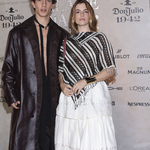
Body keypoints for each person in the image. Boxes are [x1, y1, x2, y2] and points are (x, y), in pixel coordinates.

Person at [1, 0, 70, 150]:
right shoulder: (18, 33)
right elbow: (8, 69)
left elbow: (67, 70)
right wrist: (11, 96)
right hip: (27, 100)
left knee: (51, 143)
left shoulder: (62, 35)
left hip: (54, 99)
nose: (43, 4)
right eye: (39, 0)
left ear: (53, 4)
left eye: (48, 1)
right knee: (27, 143)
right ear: (33, 3)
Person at [54, 0, 117, 149]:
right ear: (73, 17)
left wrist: (86, 81)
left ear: (90, 15)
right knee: (71, 141)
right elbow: (61, 70)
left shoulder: (100, 38)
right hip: (70, 99)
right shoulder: (66, 42)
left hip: (94, 97)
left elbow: (110, 70)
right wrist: (62, 85)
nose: (81, 14)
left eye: (85, 11)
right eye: (77, 11)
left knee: (94, 141)